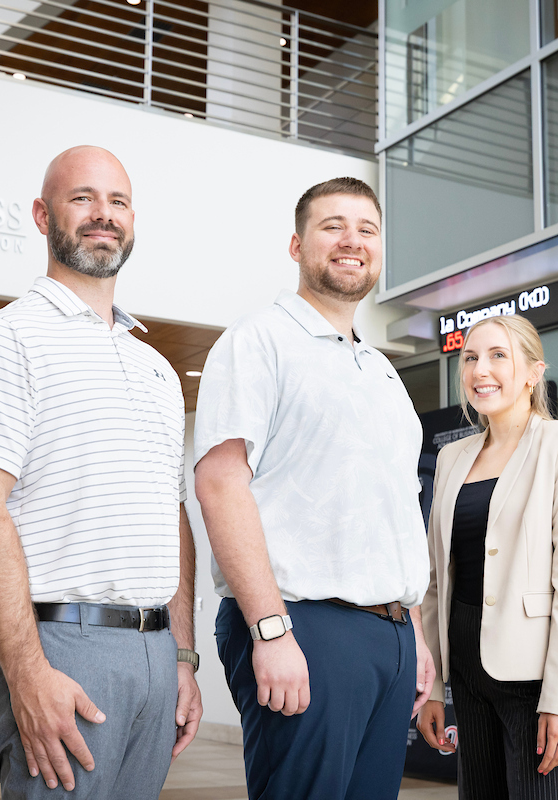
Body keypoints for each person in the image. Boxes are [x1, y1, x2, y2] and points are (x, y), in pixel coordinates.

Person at [0, 145, 202, 799]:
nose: (102, 215)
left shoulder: (158, 370)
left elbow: (169, 516)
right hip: (61, 644)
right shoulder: (7, 338)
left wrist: (184, 657)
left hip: (155, 652)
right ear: (42, 214)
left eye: (116, 202)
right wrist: (26, 673)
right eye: (82, 197)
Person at [192, 177, 436, 800]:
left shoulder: (379, 369)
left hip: (391, 636)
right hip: (305, 628)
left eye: (368, 230)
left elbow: (392, 508)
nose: (352, 241)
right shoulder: (258, 342)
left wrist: (413, 632)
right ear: (297, 244)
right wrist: (271, 630)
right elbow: (220, 485)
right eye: (334, 226)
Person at [415, 315, 558, 800]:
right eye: (471, 357)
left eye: (499, 355)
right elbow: (438, 578)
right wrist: (434, 686)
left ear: (532, 372)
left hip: (536, 674)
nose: (482, 369)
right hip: (467, 666)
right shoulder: (454, 457)